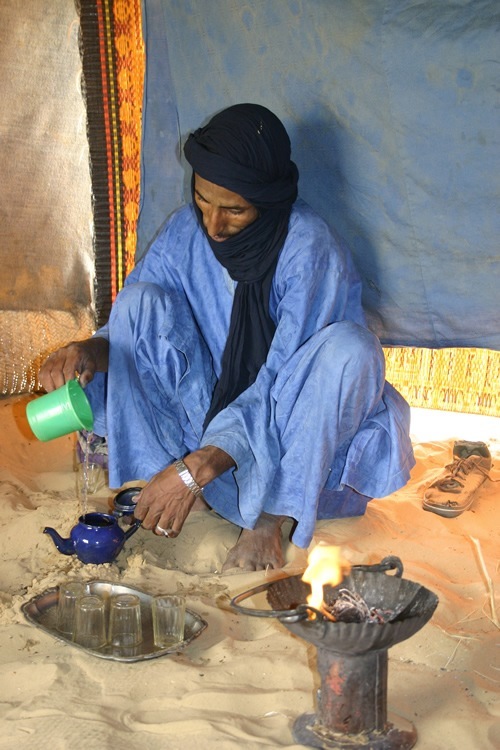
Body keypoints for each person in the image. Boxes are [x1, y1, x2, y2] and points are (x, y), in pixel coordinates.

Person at [39, 103, 415, 572]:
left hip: (292, 431)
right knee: (139, 301)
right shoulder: (185, 232)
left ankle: (268, 520)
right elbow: (127, 334)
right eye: (203, 200)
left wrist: (199, 467)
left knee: (351, 352)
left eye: (234, 210)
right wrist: (86, 351)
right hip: (209, 419)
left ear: (269, 201)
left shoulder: (310, 251)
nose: (213, 226)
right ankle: (170, 485)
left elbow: (279, 386)